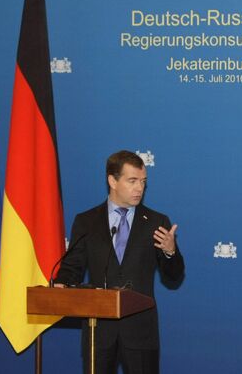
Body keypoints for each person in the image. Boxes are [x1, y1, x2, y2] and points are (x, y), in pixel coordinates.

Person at [55, 150, 185, 374]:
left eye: (143, 182)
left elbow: (173, 277)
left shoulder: (156, 221)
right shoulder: (87, 221)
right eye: (132, 181)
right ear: (112, 180)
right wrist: (61, 284)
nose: (139, 188)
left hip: (140, 332)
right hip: (99, 331)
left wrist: (170, 251)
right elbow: (71, 267)